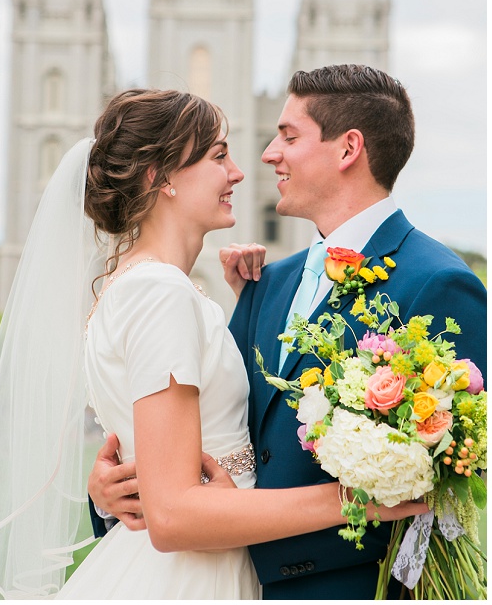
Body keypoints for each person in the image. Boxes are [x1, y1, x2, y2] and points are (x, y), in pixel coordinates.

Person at [0, 89, 421, 599]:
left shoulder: (151, 287)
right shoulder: (158, 293)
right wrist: (361, 499)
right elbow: (172, 515)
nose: (238, 172)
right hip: (192, 575)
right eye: (218, 156)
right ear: (160, 177)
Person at [88, 66, 487, 598]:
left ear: (348, 149)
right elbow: (202, 440)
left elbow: (459, 466)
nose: (266, 155)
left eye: (288, 137)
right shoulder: (265, 282)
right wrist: (112, 493)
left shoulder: (438, 282)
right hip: (214, 571)